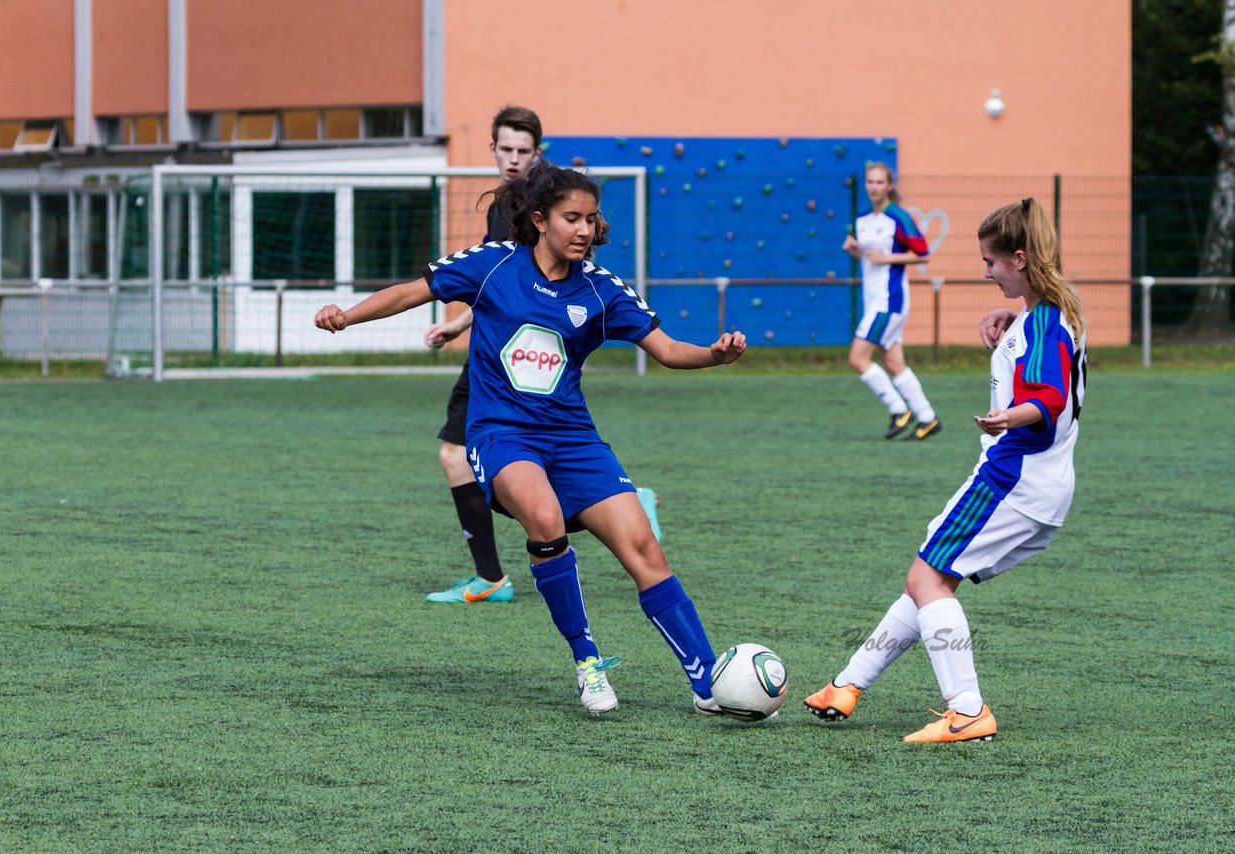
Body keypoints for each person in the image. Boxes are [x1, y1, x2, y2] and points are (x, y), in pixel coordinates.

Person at [315, 164, 747, 717]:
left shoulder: (601, 288)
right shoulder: (493, 265)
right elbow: (410, 292)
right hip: (501, 434)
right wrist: (346, 317)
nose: (584, 230)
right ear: (540, 220)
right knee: (542, 518)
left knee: (645, 551)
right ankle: (587, 661)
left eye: (591, 219)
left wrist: (714, 354)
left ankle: (708, 683)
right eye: (572, 218)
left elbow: (666, 349)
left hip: (573, 438)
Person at [804, 198, 1086, 742]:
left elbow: (1048, 398)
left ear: (1020, 258)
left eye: (991, 262)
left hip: (1012, 481)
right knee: (931, 574)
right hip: (1040, 483)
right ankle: (847, 685)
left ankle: (968, 711)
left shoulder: (1043, 322)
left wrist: (1009, 416)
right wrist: (1012, 319)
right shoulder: (1057, 311)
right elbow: (1047, 352)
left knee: (927, 578)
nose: (986, 272)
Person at [423, 104, 543, 605]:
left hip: (509, 356)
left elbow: (520, 288)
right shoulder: (505, 205)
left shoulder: (529, 208)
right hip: (509, 352)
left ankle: (491, 578)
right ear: (492, 148)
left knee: (460, 455)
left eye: (524, 150)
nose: (513, 159)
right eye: (506, 149)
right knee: (520, 458)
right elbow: (495, 284)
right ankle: (628, 502)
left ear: (538, 153)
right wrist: (456, 323)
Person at [843, 162, 941, 440]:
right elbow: (868, 257)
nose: (874, 187)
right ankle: (927, 417)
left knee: (858, 358)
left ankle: (899, 410)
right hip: (874, 299)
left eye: (879, 182)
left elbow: (923, 254)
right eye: (870, 182)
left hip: (890, 301)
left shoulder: (899, 218)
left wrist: (889, 258)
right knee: (894, 362)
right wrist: (855, 251)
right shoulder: (862, 219)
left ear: (889, 185)